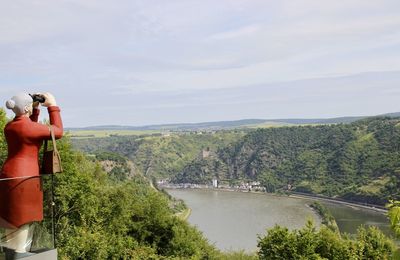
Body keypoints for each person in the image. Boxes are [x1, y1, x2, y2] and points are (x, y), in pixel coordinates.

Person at [0, 92, 63, 259]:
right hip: (25, 177)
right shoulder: (28, 128)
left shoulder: (10, 127)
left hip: (8, 174)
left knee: (11, 216)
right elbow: (58, 131)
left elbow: (29, 130)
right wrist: (52, 106)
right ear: (26, 107)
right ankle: (20, 254)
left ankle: (11, 253)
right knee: (23, 218)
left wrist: (34, 111)